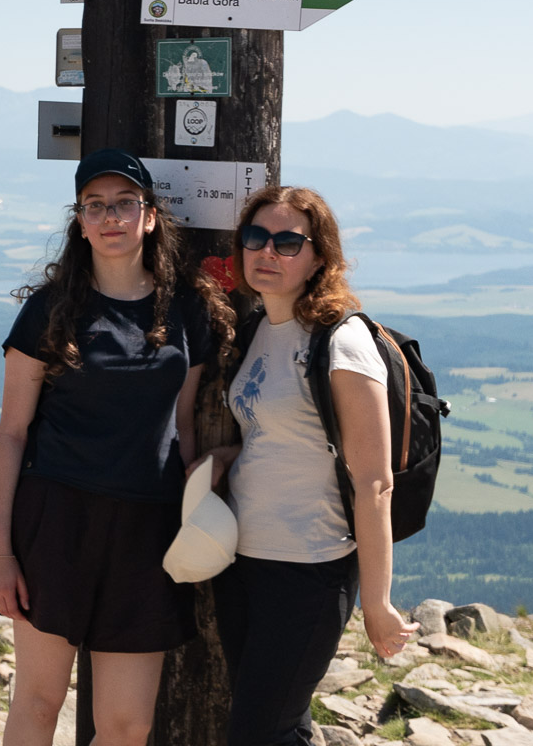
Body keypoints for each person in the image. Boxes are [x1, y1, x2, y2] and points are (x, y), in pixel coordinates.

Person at [0, 149, 232, 746]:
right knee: (39, 703)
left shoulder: (186, 309)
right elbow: (12, 435)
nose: (110, 217)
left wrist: (206, 489)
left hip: (147, 532)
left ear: (150, 216)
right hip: (56, 523)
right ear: (80, 220)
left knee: (127, 725)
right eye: (94, 206)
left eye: (124, 203)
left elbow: (183, 423)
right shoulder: (50, 310)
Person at [197, 185, 418, 745]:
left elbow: (374, 481)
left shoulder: (341, 342)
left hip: (310, 568)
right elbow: (276, 434)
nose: (267, 251)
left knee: (256, 733)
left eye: (288, 241)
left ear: (320, 257)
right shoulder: (256, 332)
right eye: (256, 237)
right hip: (242, 559)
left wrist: (378, 602)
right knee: (279, 726)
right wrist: (223, 460)